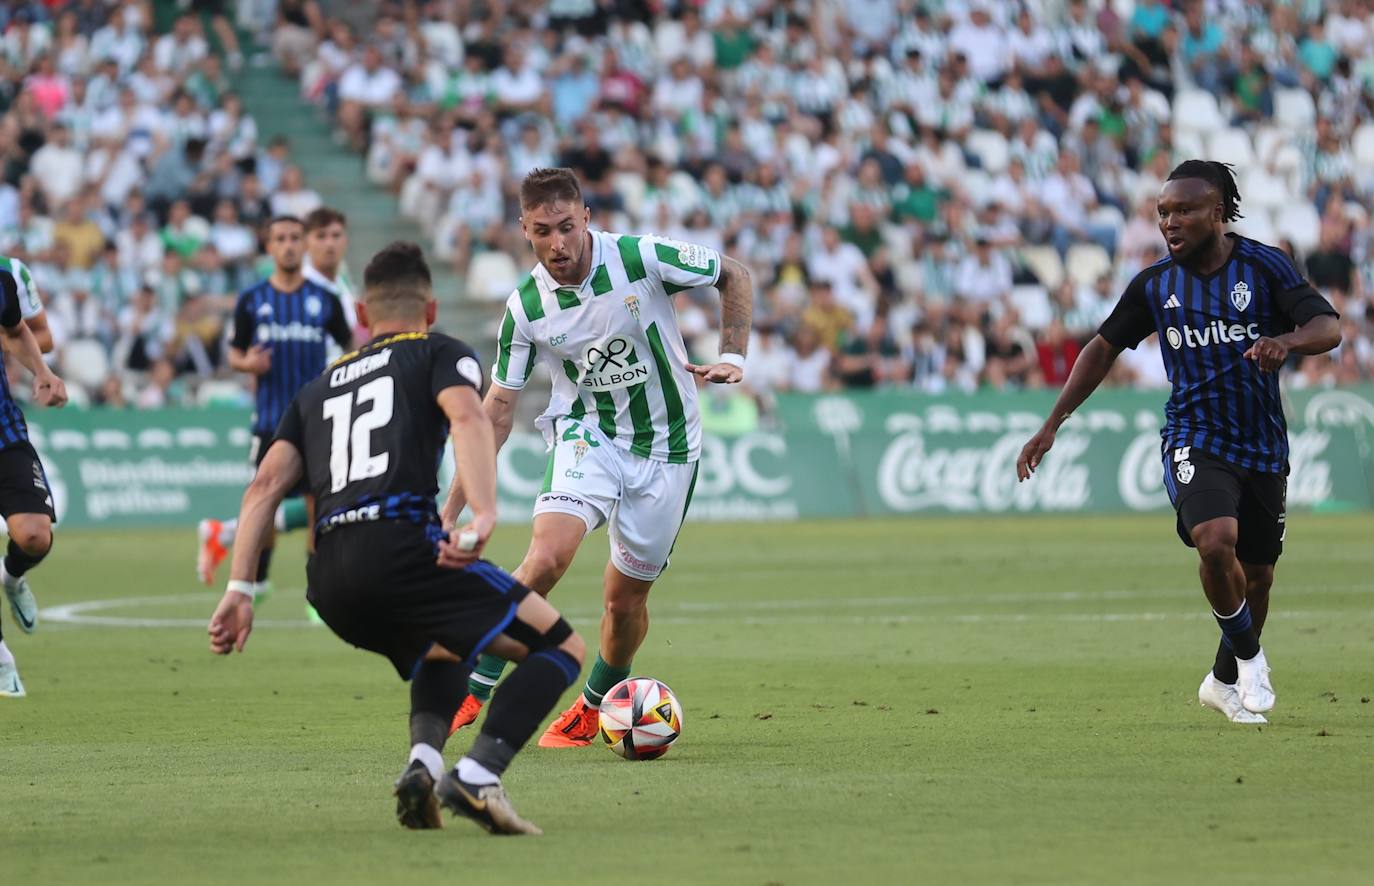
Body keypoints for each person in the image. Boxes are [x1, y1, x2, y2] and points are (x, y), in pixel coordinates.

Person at [207, 242, 584, 834]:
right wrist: (483, 514)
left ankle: (423, 766)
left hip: (329, 582)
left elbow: (263, 488)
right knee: (561, 649)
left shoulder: (316, 389)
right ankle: (477, 776)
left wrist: (239, 588)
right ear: (431, 310)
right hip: (403, 551)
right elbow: (469, 417)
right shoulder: (439, 352)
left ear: (361, 314)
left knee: (443, 647)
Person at [1016, 161, 1341, 724]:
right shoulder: (1155, 284)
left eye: (1184, 210)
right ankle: (1252, 662)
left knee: (1258, 576)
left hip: (1262, 442)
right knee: (1215, 541)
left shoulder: (1264, 266)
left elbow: (1328, 326)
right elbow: (1101, 347)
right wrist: (1052, 423)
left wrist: (1286, 342)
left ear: (1218, 212)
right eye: (1163, 212)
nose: (1170, 222)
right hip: (1193, 435)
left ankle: (1222, 681)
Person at [439, 167, 753, 746]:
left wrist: (734, 355)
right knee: (547, 556)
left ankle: (594, 704)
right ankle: (475, 684)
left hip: (669, 446)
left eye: (566, 227)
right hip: (589, 433)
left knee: (624, 600)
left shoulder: (640, 257)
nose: (557, 243)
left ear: (586, 217)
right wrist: (450, 509)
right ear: (524, 230)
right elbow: (496, 412)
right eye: (542, 232)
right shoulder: (526, 306)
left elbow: (734, 273)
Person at [197, 208, 356, 599]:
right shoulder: (252, 300)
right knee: (264, 506)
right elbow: (234, 354)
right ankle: (257, 578)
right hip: (270, 422)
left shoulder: (325, 300)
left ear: (304, 245)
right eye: (280, 239)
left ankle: (318, 594)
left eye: (295, 238)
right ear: (268, 247)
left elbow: (351, 347)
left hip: (317, 422)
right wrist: (247, 364)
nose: (288, 246)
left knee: (320, 509)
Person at [0, 262, 70, 698]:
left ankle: (11, 577)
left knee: (34, 537)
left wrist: (42, 372)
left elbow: (18, 330)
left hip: (4, 433)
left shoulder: (3, 279)